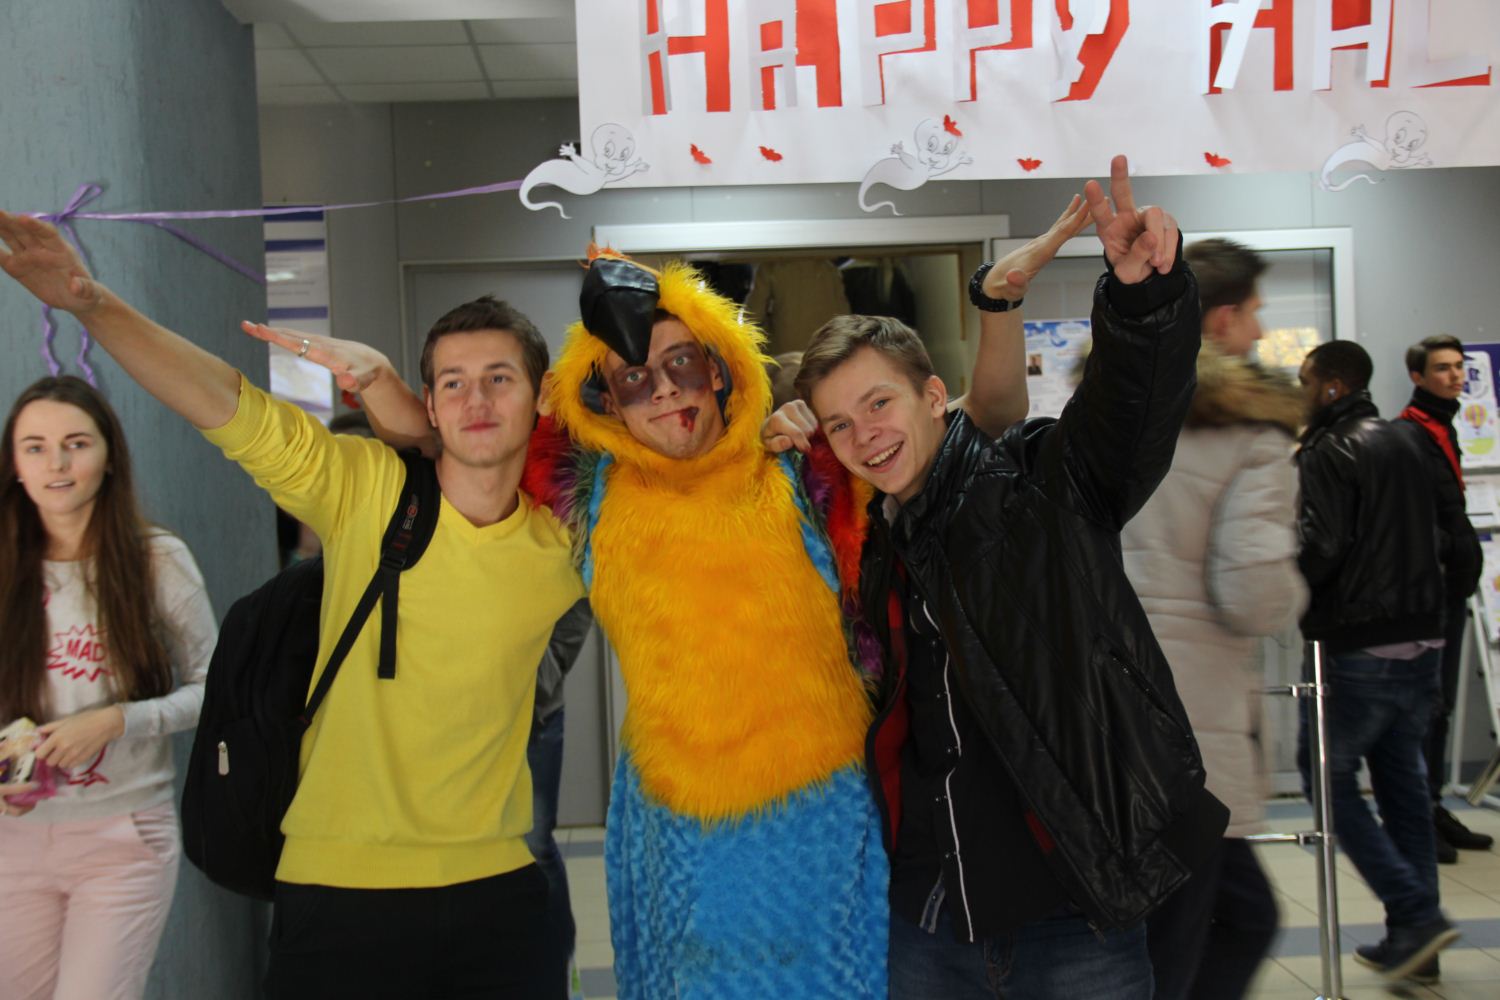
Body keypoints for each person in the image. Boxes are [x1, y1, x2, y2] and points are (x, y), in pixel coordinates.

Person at [0, 214, 586, 999]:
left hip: (499, 891)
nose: (475, 399)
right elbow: (222, 402)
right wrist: (91, 303)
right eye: (453, 382)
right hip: (340, 892)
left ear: (539, 397)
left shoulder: (567, 536)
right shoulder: (365, 488)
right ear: (431, 404)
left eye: (499, 379)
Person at [783, 155, 1228, 999]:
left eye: (878, 403)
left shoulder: (1034, 487)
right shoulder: (870, 544)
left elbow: (1127, 417)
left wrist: (1143, 302)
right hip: (930, 917)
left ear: (933, 396)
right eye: (840, 424)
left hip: (1073, 912)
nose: (865, 435)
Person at [1123, 238, 1307, 1000]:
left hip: (1113, 714)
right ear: (1223, 318)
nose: (1260, 332)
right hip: (1195, 725)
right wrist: (1297, 589)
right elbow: (1252, 595)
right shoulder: (1251, 435)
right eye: (1255, 313)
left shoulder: (1115, 409)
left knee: (1225, 915)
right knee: (1198, 936)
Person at [0, 376, 217, 1000]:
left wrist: (119, 720)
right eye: (35, 447)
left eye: (76, 443)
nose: (57, 463)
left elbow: (215, 687)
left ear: (110, 456)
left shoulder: (156, 558)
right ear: (14, 464)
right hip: (15, 838)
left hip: (122, 838)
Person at [1296, 339, 1459, 983]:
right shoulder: (1408, 439)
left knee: (1325, 779)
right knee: (1404, 790)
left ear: (1333, 386)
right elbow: (1448, 532)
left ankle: (1415, 913)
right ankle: (1416, 948)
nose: (1302, 391)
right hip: (1424, 638)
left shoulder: (1328, 449)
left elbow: (1323, 547)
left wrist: (1286, 586)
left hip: (1362, 642)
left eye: (1306, 380)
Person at [1398, 335, 1491, 861]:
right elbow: (1413, 516)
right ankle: (1416, 816)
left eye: (1458, 367)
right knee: (1425, 707)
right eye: (1442, 368)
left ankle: (1432, 806)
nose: (1455, 377)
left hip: (1452, 590)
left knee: (1443, 705)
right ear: (1418, 377)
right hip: (1428, 593)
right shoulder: (1411, 433)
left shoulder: (1444, 426)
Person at [527, 598, 594, 999]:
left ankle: (561, 963)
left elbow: (579, 602)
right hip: (472, 715)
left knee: (536, 844)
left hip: (537, 713)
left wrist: (543, 673)